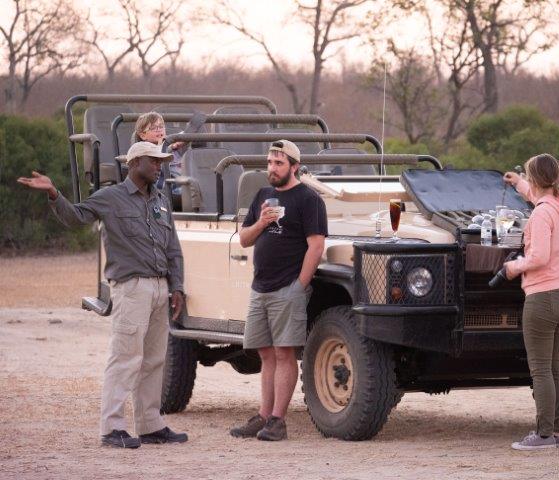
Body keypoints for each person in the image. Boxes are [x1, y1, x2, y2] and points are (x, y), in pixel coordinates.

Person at [17, 141, 188, 449]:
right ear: (135, 164)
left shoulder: (160, 200)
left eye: (162, 160)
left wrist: (177, 286)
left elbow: (173, 248)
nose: (160, 165)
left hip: (161, 289)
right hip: (131, 288)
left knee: (153, 361)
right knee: (125, 358)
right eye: (154, 161)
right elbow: (76, 217)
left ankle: (150, 425)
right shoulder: (111, 198)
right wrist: (54, 193)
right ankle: (112, 428)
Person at [229, 140, 327, 441]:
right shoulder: (263, 195)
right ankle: (263, 416)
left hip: (288, 287)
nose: (271, 169)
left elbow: (316, 245)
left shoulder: (308, 200)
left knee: (285, 353)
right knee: (265, 353)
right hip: (260, 287)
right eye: (269, 163)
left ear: (294, 167)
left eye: (279, 164)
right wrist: (261, 221)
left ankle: (278, 421)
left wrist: (300, 285)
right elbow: (244, 239)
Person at [502, 154, 559, 450]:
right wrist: (519, 183)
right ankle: (558, 432)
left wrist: (514, 267)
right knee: (556, 366)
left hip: (544, 297)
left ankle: (543, 434)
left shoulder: (540, 215)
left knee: (541, 369)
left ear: (536, 179)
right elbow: (540, 197)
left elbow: (539, 258)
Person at [133, 112, 185, 193]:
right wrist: (167, 147)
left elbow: (186, 134)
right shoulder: (141, 149)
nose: (159, 130)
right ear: (143, 135)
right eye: (153, 128)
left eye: (161, 127)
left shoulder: (171, 142)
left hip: (182, 184)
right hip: (162, 189)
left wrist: (180, 139)